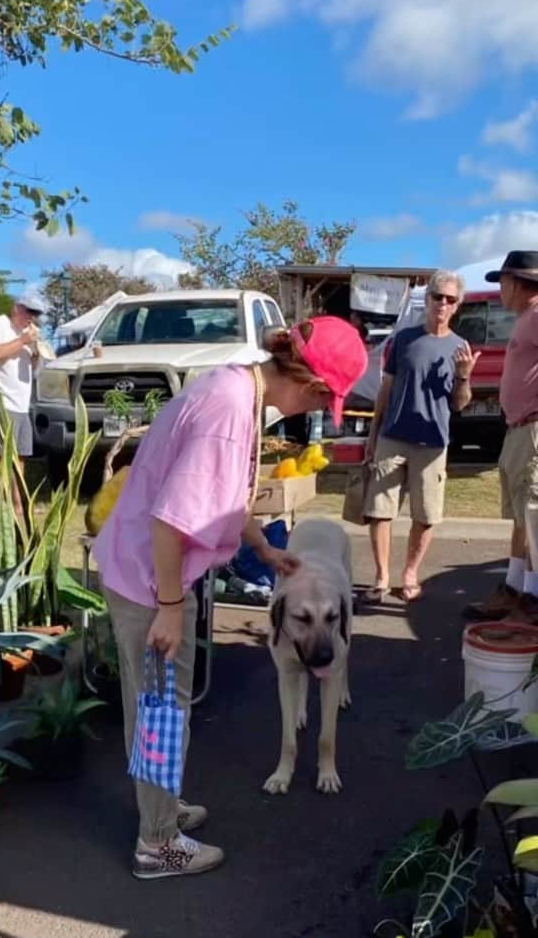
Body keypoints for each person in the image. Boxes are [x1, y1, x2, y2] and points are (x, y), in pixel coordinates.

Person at [92, 318, 368, 881]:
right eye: (324, 399)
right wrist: (171, 607)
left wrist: (265, 550)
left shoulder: (235, 388)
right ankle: (158, 843)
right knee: (161, 716)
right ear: (314, 386)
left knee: (154, 712)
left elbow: (220, 498)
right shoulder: (227, 413)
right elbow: (172, 521)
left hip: (143, 572)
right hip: (152, 581)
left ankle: (160, 812)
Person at [362, 270, 479, 603]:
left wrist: (463, 377)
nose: (442, 304)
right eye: (437, 296)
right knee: (380, 510)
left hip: (432, 443)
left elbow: (459, 405)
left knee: (426, 516)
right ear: (427, 299)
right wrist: (373, 434)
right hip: (392, 437)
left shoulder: (460, 348)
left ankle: (410, 573)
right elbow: (385, 390)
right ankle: (381, 577)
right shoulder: (403, 339)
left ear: (457, 306)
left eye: (450, 299)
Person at [464, 251, 538, 623]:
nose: (500, 290)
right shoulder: (527, 318)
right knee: (522, 517)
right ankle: (515, 590)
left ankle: (532, 598)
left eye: (503, 282)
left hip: (534, 430)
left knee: (534, 516)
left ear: (520, 283)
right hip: (519, 429)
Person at [0, 290, 46, 459]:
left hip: (22, 407)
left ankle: (17, 487)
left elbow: (33, 370)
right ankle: (1, 487)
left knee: (21, 457)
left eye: (36, 314)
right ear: (16, 309)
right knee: (1, 458)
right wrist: (23, 341)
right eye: (30, 311)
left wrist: (36, 353)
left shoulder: (27, 334)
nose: (32, 317)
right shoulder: (0, 324)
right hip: (3, 404)